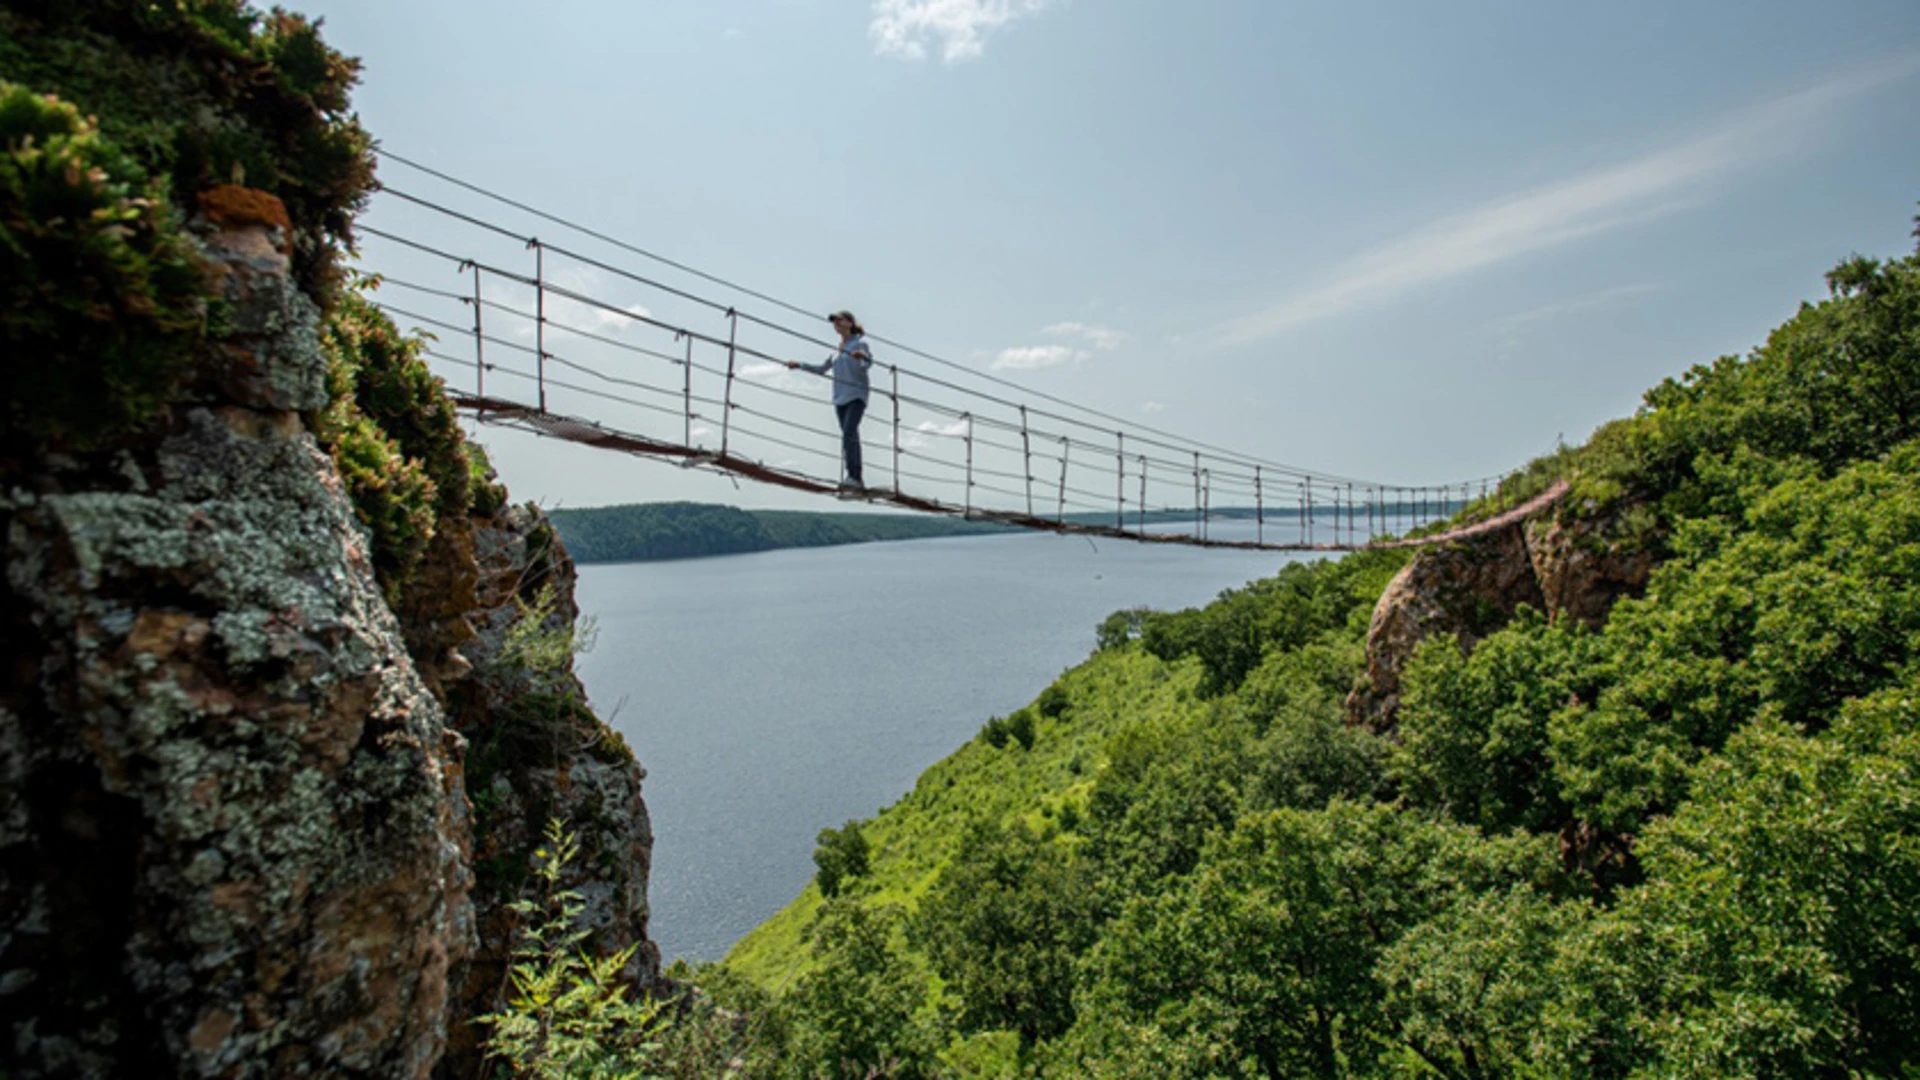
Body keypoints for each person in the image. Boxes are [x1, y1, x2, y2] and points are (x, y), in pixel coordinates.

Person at [789, 310, 874, 495]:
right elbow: (822, 369)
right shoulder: (836, 351)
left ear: (850, 323)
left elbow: (868, 363)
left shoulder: (860, 343)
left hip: (856, 395)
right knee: (849, 436)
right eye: (834, 321)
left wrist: (861, 358)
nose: (836, 323)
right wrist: (800, 365)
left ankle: (855, 477)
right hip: (840, 398)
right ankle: (854, 477)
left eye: (839, 320)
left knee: (849, 434)